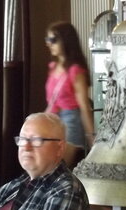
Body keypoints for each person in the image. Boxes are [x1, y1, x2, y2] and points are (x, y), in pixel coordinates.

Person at [45, 21, 94, 168]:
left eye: (53, 40)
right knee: (49, 167)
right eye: (47, 40)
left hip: (71, 120)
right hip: (53, 121)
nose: (49, 44)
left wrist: (92, 138)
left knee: (59, 168)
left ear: (65, 40)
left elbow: (84, 106)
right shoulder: (53, 67)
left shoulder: (76, 71)